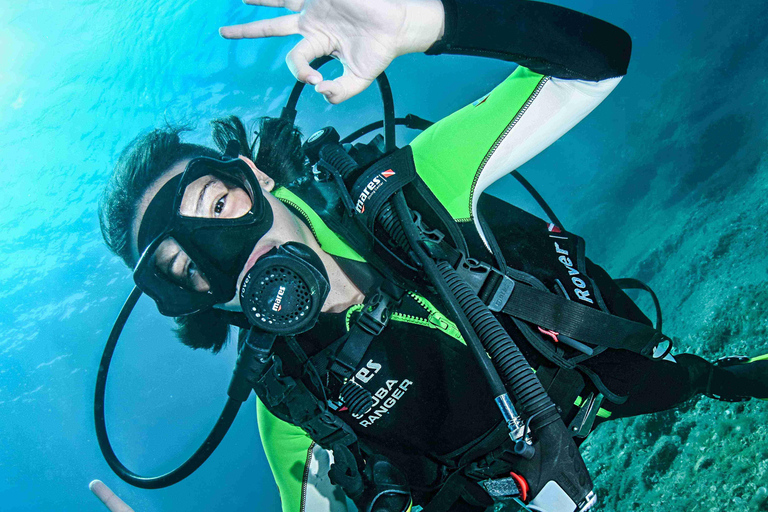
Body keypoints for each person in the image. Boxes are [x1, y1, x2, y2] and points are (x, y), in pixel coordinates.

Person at [98, 0, 768, 510]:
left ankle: (719, 377)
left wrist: (431, 20)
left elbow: (599, 61)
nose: (227, 252)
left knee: (679, 379)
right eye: (186, 268)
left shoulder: (410, 190)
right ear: (198, 301)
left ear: (258, 177)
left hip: (591, 364)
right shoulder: (288, 408)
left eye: (217, 205)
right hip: (507, 487)